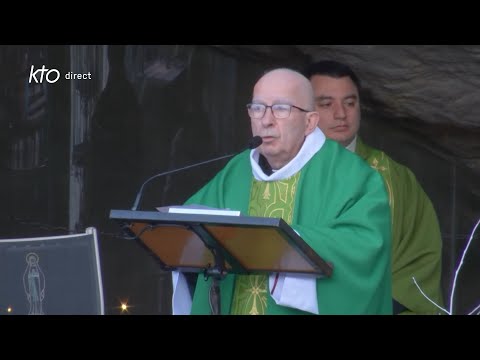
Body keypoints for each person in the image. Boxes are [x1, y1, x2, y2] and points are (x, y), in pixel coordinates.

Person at [172, 68, 392, 315]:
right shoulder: (236, 171)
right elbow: (186, 230)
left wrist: (285, 242)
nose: (266, 120)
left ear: (310, 122)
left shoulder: (353, 177)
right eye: (257, 108)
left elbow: (364, 252)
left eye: (281, 109)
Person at [303, 60, 444, 314]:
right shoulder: (284, 175)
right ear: (305, 112)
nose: (341, 114)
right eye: (326, 104)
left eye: (350, 103)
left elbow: (420, 256)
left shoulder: (395, 178)